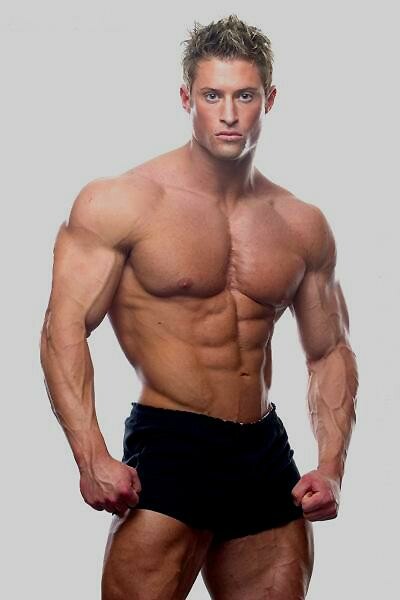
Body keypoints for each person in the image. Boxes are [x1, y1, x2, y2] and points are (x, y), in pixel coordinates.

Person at [40, 13, 359, 600]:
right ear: (187, 97)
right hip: (171, 445)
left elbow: (329, 351)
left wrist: (332, 465)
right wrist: (91, 455)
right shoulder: (122, 202)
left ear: (270, 100)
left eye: (245, 96)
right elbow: (64, 328)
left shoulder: (301, 224)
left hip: (263, 452)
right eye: (213, 95)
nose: (229, 113)